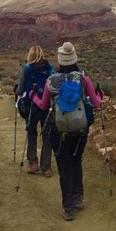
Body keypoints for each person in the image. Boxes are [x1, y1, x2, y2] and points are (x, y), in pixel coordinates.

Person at [32, 42, 103, 221]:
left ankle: (68, 208)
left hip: (59, 131)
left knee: (64, 167)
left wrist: (33, 96)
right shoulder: (83, 79)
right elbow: (96, 104)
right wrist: (99, 94)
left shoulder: (51, 81)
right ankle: (78, 197)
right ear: (74, 58)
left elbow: (42, 105)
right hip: (80, 131)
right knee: (76, 161)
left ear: (60, 59)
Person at [15, 46, 54, 177]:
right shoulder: (49, 68)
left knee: (31, 132)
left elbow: (20, 90)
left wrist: (16, 92)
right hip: (47, 105)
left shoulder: (26, 68)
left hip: (31, 105)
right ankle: (46, 167)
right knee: (47, 135)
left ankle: (33, 163)